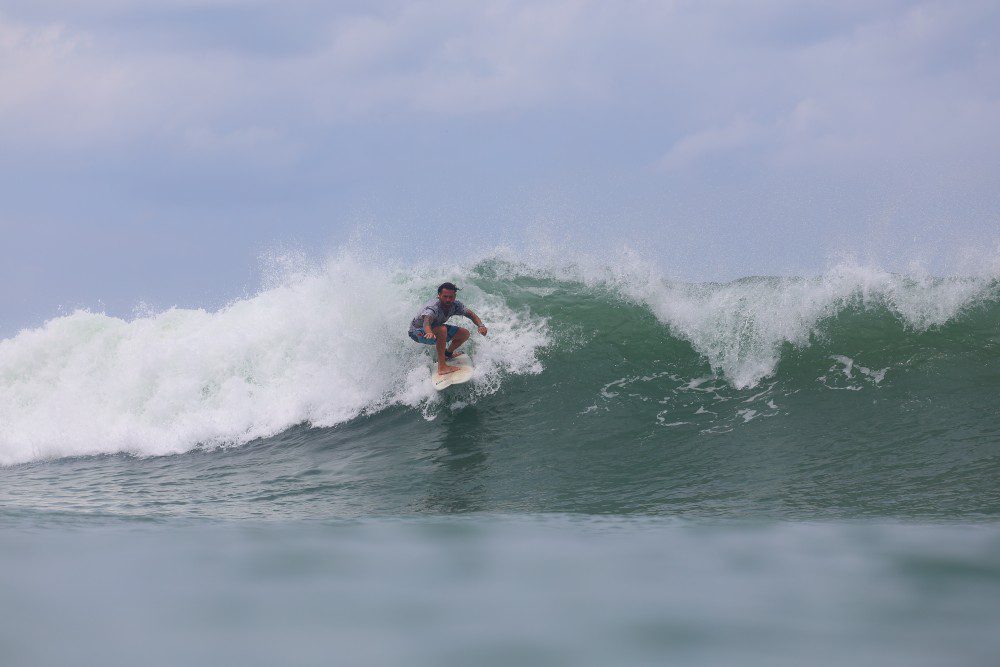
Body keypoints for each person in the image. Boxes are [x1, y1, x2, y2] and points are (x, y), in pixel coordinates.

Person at [409, 282, 488, 375]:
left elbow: (471, 314)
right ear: (439, 295)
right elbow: (427, 321)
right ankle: (442, 367)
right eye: (445, 296)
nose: (448, 299)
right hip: (417, 332)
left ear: (455, 296)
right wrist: (429, 332)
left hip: (434, 330)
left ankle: (448, 354)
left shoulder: (455, 305)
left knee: (464, 334)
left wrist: (481, 325)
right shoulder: (433, 307)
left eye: (451, 297)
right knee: (442, 329)